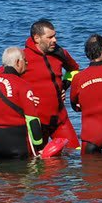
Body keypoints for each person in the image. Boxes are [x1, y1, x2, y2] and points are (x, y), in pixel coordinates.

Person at [20, 19, 80, 154]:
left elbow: (74, 70)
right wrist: (21, 99)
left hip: (60, 119)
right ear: (36, 38)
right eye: (50, 37)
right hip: (35, 121)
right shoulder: (23, 56)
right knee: (36, 161)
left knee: (76, 154)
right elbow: (0, 80)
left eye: (55, 36)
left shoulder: (60, 53)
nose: (54, 40)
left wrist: (64, 86)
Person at [0, 46, 45, 160]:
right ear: (18, 62)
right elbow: (32, 120)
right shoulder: (22, 85)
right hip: (18, 145)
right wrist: (39, 146)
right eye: (25, 60)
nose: (27, 63)